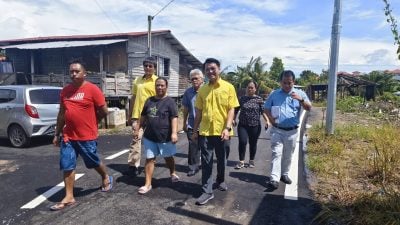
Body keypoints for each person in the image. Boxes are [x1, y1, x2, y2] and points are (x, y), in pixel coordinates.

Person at [51, 60, 112, 211]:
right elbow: (61, 114)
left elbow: (104, 111)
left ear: (84, 73)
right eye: (71, 71)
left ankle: (105, 176)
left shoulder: (92, 90)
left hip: (87, 136)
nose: (73, 74)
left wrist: (94, 122)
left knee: (92, 162)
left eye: (76, 71)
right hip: (68, 136)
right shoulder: (65, 91)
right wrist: (57, 133)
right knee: (67, 164)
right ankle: (69, 196)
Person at [192, 58, 239, 205]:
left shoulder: (228, 87)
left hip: (222, 132)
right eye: (207, 69)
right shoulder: (203, 90)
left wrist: (227, 127)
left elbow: (231, 109)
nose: (210, 71)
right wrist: (194, 131)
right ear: (205, 72)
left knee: (222, 160)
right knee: (206, 162)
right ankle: (207, 191)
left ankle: (220, 179)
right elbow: (198, 112)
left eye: (213, 68)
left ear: (219, 69)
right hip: (205, 132)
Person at [263, 70, 311, 191]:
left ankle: (284, 174)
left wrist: (300, 100)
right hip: (277, 130)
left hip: (292, 131)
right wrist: (271, 120)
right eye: (284, 83)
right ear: (280, 82)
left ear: (293, 82)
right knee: (276, 153)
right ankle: (274, 178)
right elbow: (266, 108)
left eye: (289, 83)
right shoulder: (274, 94)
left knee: (288, 154)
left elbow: (309, 107)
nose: (287, 85)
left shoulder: (300, 93)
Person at [136, 77, 179, 194]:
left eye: (162, 85)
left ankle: (172, 172)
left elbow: (174, 118)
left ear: (166, 86)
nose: (159, 87)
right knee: (150, 159)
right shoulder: (149, 101)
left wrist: (174, 133)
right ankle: (147, 184)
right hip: (150, 136)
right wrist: (138, 129)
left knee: (168, 157)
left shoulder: (170, 102)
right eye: (157, 85)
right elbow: (143, 116)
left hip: (165, 136)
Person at [127, 57, 158, 176]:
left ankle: (150, 164)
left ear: (154, 68)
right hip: (137, 115)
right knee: (136, 139)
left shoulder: (157, 81)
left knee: (151, 140)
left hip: (152, 115)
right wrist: (130, 114)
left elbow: (160, 99)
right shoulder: (137, 80)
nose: (148, 68)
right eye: (146, 66)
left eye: (150, 66)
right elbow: (133, 97)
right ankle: (133, 165)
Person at [233, 80, 268, 169]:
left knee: (253, 143)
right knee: (242, 142)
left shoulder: (259, 100)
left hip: (255, 125)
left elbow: (263, 111)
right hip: (243, 125)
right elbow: (236, 110)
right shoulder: (242, 99)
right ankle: (241, 161)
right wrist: (233, 119)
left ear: (255, 89)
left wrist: (267, 121)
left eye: (252, 88)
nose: (249, 89)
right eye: (248, 87)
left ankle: (251, 160)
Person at [182, 69, 204, 176]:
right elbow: (185, 108)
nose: (194, 80)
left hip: (205, 125)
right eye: (192, 79)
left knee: (204, 147)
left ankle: (203, 164)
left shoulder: (207, 90)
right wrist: (184, 122)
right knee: (193, 146)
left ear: (202, 79)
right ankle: (192, 166)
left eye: (196, 78)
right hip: (191, 124)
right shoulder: (188, 92)